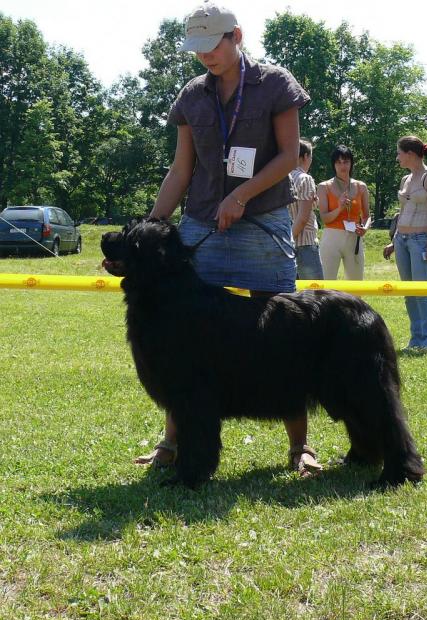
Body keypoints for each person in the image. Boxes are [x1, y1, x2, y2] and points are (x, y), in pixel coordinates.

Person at [134, 2, 322, 476]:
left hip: (262, 222)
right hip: (202, 226)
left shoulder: (276, 84)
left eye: (211, 46)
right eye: (195, 49)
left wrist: (241, 195)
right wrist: (150, 227)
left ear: (236, 35)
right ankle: (171, 445)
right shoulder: (192, 96)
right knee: (183, 342)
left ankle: (300, 447)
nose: (204, 57)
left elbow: (287, 157)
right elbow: (181, 171)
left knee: (283, 335)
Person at [383, 136, 427, 352]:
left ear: (410, 154)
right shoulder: (405, 180)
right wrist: (393, 240)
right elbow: (403, 212)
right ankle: (416, 339)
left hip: (421, 240)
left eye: (399, 153)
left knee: (421, 291)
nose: (397, 157)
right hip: (402, 240)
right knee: (409, 292)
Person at [317, 145, 371, 280]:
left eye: (346, 161)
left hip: (354, 238)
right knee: (327, 285)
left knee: (355, 285)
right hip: (331, 238)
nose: (343, 166)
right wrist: (339, 208)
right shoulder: (324, 187)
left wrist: (365, 228)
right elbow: (325, 218)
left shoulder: (361, 186)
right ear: (334, 165)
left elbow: (366, 216)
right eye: (338, 162)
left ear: (351, 163)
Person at [288, 139, 323, 279]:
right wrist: (291, 240)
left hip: (285, 244)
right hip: (305, 244)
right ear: (306, 156)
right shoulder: (305, 179)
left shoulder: (283, 177)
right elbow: (302, 219)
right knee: (316, 295)